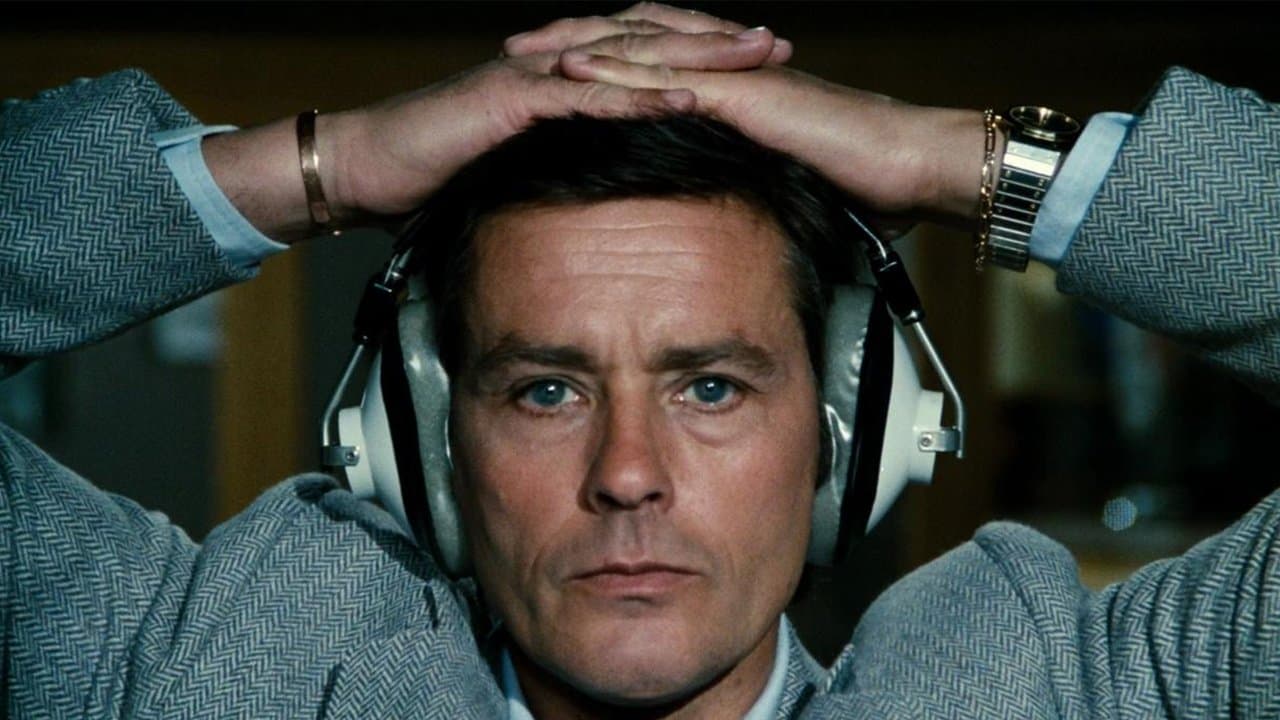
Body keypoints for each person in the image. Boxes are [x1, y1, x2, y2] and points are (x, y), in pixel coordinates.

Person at [2, 4, 1277, 719]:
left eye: (708, 386)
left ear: (845, 433)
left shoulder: (1076, 693)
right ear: (427, 445)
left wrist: (958, 160)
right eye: (545, 389)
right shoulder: (203, 671)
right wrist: (328, 167)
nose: (626, 473)